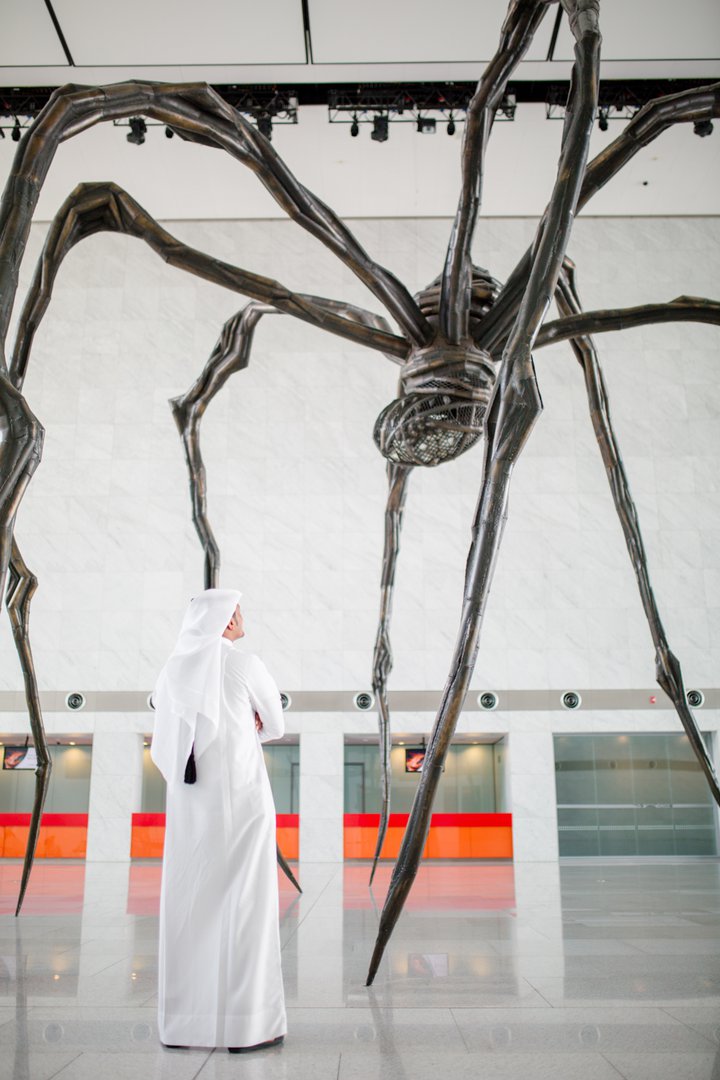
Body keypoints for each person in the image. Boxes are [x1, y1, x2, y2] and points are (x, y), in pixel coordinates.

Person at [151, 588, 287, 1052]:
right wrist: (252, 721)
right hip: (244, 801)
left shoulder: (173, 670)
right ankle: (247, 1028)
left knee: (190, 904)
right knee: (246, 908)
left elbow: (165, 729)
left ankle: (185, 1026)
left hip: (190, 806)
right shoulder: (245, 665)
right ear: (227, 623)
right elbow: (277, 724)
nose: (243, 618)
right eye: (239, 612)